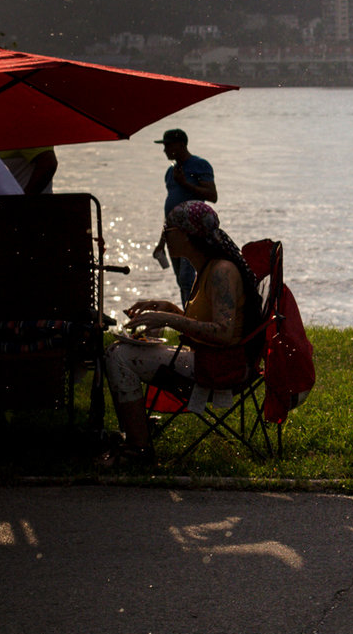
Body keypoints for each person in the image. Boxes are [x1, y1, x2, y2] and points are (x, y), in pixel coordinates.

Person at [102, 201, 261, 464]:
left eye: (168, 230)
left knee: (118, 356)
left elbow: (223, 333)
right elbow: (205, 323)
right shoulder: (207, 268)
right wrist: (169, 309)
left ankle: (138, 447)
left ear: (188, 234)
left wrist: (169, 319)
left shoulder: (221, 271)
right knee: (117, 350)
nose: (164, 237)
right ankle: (137, 430)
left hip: (221, 366)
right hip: (209, 357)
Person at [157, 128, 217, 301]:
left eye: (168, 145)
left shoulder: (200, 165)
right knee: (181, 280)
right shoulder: (171, 172)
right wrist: (162, 241)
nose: (165, 150)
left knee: (187, 279)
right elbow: (170, 209)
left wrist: (185, 183)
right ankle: (188, 313)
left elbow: (212, 196)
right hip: (173, 233)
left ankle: (195, 315)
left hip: (192, 233)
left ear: (181, 145)